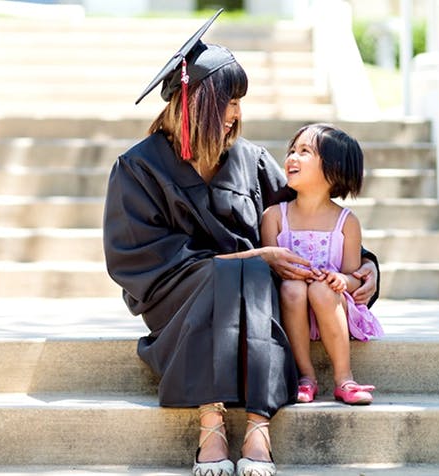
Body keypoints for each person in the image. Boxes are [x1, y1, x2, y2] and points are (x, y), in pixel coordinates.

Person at [102, 10, 379, 476]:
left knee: (250, 277)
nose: (236, 114)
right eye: (228, 101)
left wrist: (364, 265)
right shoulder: (139, 169)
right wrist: (251, 257)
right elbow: (140, 259)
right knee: (238, 274)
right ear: (197, 102)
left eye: (238, 102)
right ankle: (211, 423)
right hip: (178, 298)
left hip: (253, 299)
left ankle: (257, 425)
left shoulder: (250, 160)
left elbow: (305, 215)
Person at [261, 123, 385, 406]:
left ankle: (344, 378)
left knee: (322, 289)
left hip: (331, 307)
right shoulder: (274, 217)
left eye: (305, 151)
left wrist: (341, 280)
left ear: (333, 168)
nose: (292, 157)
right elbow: (270, 273)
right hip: (291, 308)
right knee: (292, 287)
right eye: (292, 150)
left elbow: (354, 278)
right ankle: (305, 377)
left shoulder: (346, 222)